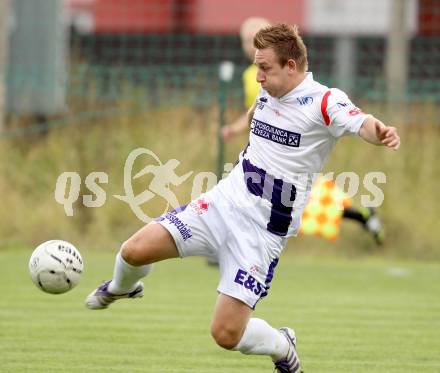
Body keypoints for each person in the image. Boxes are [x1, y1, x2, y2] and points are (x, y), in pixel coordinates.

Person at [85, 24, 400, 373]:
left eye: (265, 68)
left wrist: (380, 132)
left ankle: (282, 344)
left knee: (225, 333)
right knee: (133, 251)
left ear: (291, 66)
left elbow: (361, 122)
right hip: (223, 203)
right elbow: (257, 115)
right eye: (257, 67)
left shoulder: (325, 101)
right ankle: (120, 288)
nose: (259, 77)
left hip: (261, 233)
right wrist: (242, 131)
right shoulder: (267, 92)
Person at [223, 17, 384, 245]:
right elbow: (254, 111)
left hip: (290, 154)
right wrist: (237, 129)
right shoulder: (252, 76)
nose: (250, 45)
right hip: (263, 149)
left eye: (253, 38)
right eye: (245, 40)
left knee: (308, 199)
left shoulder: (283, 74)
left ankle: (361, 216)